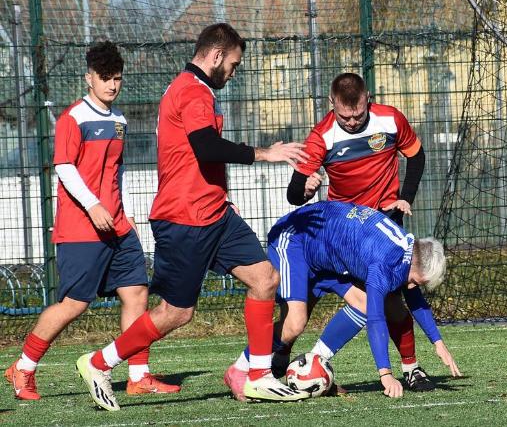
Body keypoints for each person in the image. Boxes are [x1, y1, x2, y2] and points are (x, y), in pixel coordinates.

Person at [74, 23, 310, 411]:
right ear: (216, 56)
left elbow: (196, 156)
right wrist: (265, 153)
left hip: (214, 212)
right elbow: (205, 147)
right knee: (176, 313)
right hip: (185, 218)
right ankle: (99, 363)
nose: (232, 73)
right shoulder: (192, 90)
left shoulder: (190, 89)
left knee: (265, 278)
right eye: (233, 65)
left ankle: (258, 376)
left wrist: (223, 196)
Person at [4, 41, 179, 401]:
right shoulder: (74, 118)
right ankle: (23, 367)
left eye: (117, 79)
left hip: (118, 226)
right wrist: (93, 205)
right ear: (89, 79)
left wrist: (125, 210)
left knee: (137, 292)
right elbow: (65, 167)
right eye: (105, 79)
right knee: (74, 304)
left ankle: (138, 375)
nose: (112, 86)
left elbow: (118, 171)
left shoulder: (119, 121)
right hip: (81, 228)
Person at [284, 72, 434, 391]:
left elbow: (417, 156)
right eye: (344, 116)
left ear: (368, 99)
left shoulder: (390, 120)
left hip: (384, 224)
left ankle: (412, 368)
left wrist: (405, 196)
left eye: (358, 115)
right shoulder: (321, 137)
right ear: (331, 104)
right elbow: (294, 194)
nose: (352, 122)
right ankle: (276, 359)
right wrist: (306, 190)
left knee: (391, 300)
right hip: (344, 233)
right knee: (302, 306)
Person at [224, 201, 460, 399]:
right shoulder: (383, 263)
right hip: (295, 239)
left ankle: (314, 364)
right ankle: (240, 369)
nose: (411, 287)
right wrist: (385, 375)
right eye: (416, 281)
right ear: (414, 263)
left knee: (363, 303)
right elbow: (377, 320)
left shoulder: (409, 248)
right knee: (295, 322)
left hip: (327, 254)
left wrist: (437, 342)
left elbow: (412, 295)